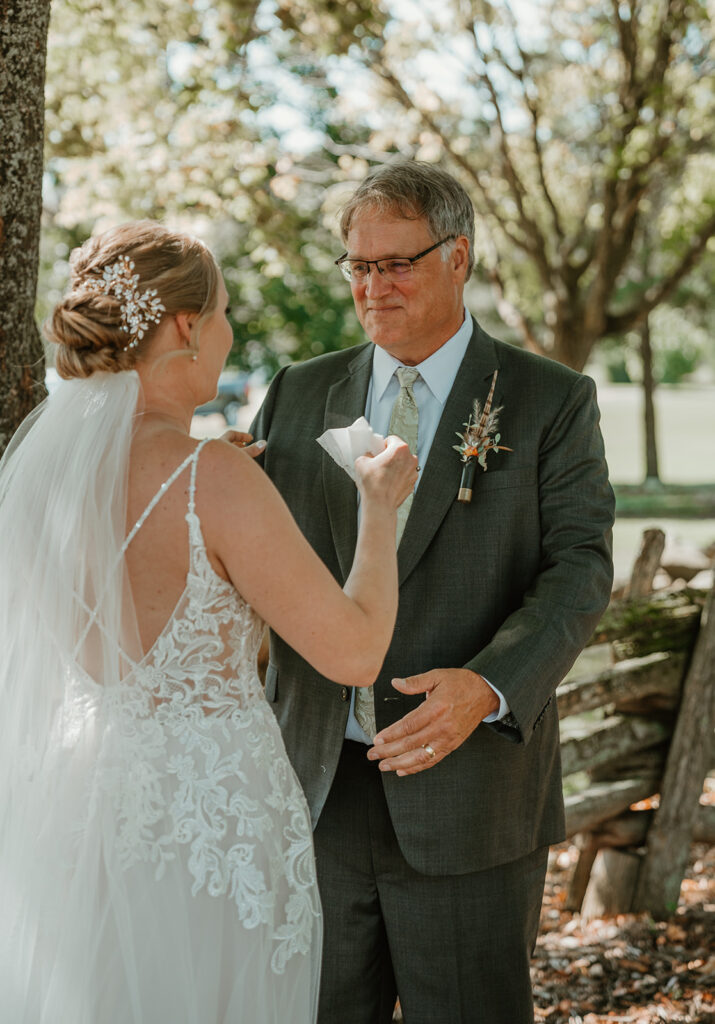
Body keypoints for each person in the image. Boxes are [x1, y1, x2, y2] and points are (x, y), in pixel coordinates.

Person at [0, 221, 417, 1024]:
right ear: (187, 327)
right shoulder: (212, 476)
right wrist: (376, 504)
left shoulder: (44, 484)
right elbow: (357, 652)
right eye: (223, 313)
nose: (230, 334)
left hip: (81, 813)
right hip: (212, 834)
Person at [251, 160, 615, 1024]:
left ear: (458, 256)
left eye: (396, 264)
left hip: (471, 792)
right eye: (357, 266)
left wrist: (487, 689)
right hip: (314, 789)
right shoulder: (298, 392)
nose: (372, 288)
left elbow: (579, 569)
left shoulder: (548, 399)